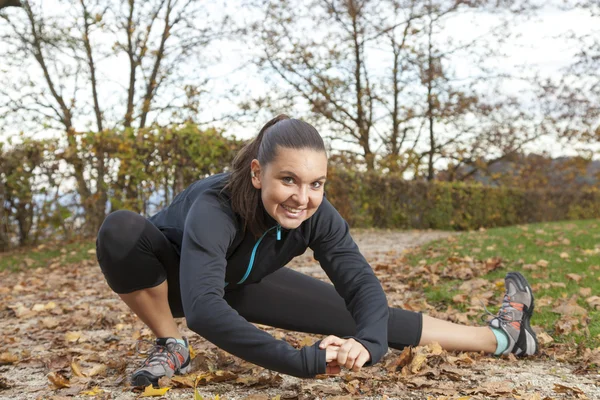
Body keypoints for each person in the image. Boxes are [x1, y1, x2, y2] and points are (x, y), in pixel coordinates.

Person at [95, 115, 538, 388]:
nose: (302, 197)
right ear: (257, 173)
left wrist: (367, 344)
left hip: (239, 284)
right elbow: (204, 308)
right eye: (288, 179)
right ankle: (171, 343)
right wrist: (300, 361)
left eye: (316, 183)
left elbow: (360, 283)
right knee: (119, 229)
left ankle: (504, 336)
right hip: (174, 286)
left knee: (376, 319)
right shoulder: (216, 206)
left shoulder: (318, 213)